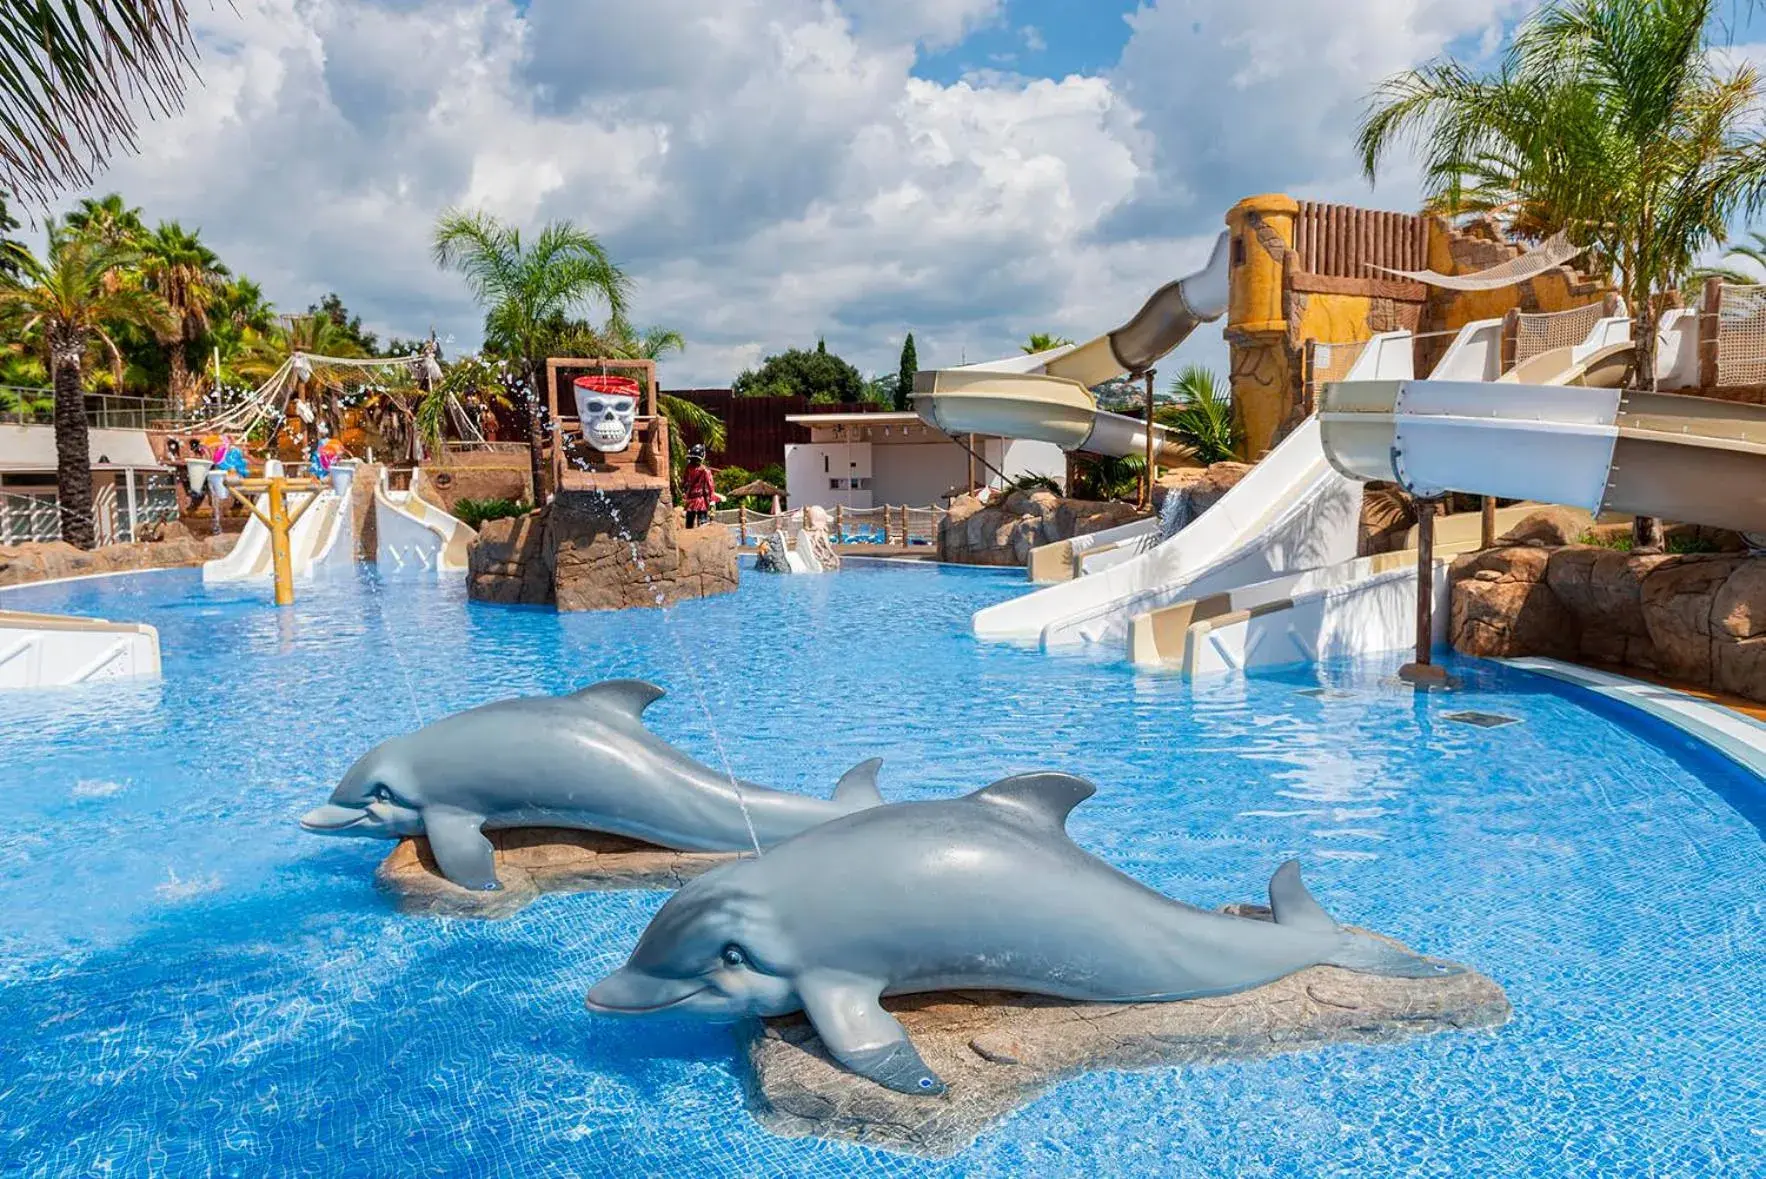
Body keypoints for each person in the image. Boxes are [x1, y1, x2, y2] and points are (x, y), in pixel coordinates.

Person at [683, 445, 716, 529]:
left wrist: (684, 493)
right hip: (701, 501)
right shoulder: (705, 470)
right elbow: (711, 485)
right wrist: (712, 500)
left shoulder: (688, 468)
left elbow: (684, 482)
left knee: (689, 524)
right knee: (702, 523)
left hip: (690, 500)